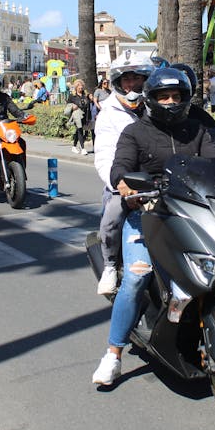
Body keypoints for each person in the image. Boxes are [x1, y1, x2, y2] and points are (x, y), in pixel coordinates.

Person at [92, 68, 215, 386]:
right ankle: (113, 354)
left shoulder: (197, 131)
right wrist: (127, 188)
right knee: (137, 277)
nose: (170, 102)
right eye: (163, 96)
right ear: (151, 99)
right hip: (147, 214)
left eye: (176, 96)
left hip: (194, 214)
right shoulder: (135, 133)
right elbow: (119, 170)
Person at [92, 56, 154, 296]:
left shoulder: (155, 105)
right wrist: (120, 183)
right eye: (126, 80)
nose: (131, 85)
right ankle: (109, 265)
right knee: (113, 214)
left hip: (160, 179)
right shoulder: (109, 113)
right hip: (125, 182)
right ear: (118, 83)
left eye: (137, 79)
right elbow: (105, 154)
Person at [66, 80, 92, 155]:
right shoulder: (72, 96)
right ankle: (83, 148)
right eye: (79, 87)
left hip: (85, 115)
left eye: (82, 87)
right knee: (80, 129)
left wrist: (90, 99)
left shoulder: (85, 94)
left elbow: (88, 104)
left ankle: (74, 146)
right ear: (76, 87)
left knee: (80, 131)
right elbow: (68, 105)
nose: (81, 88)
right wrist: (72, 106)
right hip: (76, 115)